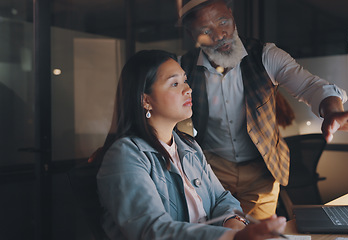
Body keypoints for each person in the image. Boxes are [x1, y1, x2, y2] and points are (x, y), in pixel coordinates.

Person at [177, 0, 348, 220]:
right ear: (191, 33)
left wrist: (332, 111)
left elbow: (311, 86)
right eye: (206, 30)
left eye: (224, 21)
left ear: (233, 16)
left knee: (259, 233)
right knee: (215, 232)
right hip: (211, 170)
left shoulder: (265, 55)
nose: (220, 34)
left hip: (261, 173)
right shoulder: (182, 68)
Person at [93, 49, 286, 240]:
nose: (188, 89)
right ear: (146, 100)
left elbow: (222, 199)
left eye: (185, 80)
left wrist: (235, 225)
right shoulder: (126, 154)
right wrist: (232, 238)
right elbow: (151, 230)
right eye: (174, 84)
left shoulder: (188, 146)